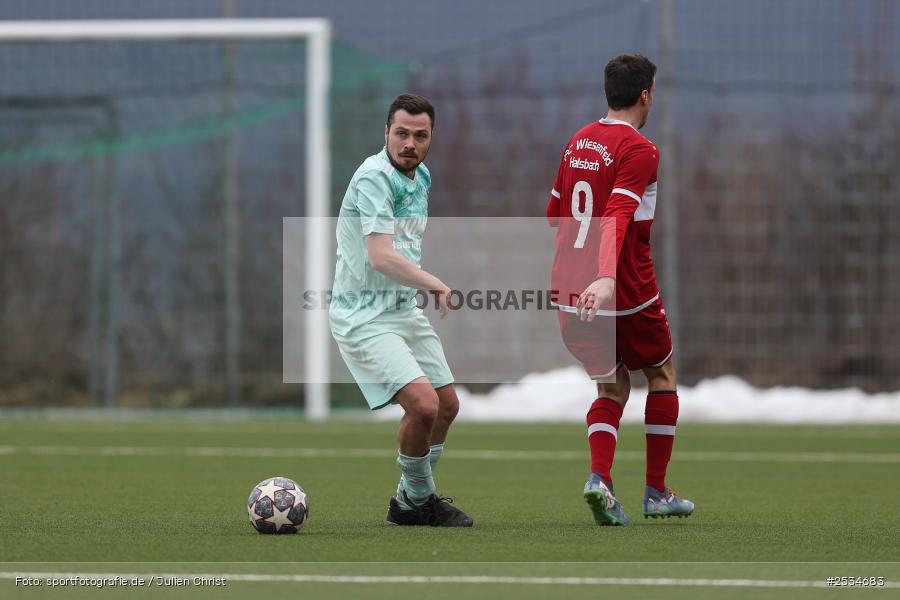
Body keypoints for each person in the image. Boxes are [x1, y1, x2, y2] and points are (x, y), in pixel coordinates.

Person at [546, 54, 694, 526]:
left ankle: (600, 481)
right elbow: (616, 215)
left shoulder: (578, 141)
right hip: (624, 290)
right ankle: (656, 492)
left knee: (612, 384)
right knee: (662, 373)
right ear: (646, 94)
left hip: (569, 292)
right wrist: (606, 276)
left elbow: (553, 214)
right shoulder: (641, 150)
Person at [329, 93, 473, 527]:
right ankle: (420, 500)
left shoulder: (421, 176)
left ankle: (409, 502)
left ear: (431, 138)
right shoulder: (373, 177)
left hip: (400, 309)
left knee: (447, 405)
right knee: (424, 406)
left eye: (420, 135)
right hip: (363, 317)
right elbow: (380, 256)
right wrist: (433, 283)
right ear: (386, 134)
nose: (410, 143)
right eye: (402, 134)